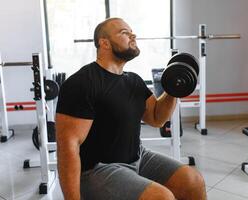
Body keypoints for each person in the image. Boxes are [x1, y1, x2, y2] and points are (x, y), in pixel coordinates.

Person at [55, 17, 207, 200]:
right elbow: (67, 148)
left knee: (193, 181)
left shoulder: (133, 81)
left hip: (138, 157)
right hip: (97, 169)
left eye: (132, 31)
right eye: (124, 32)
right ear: (104, 43)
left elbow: (156, 118)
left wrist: (173, 89)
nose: (133, 35)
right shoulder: (82, 83)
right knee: (162, 198)